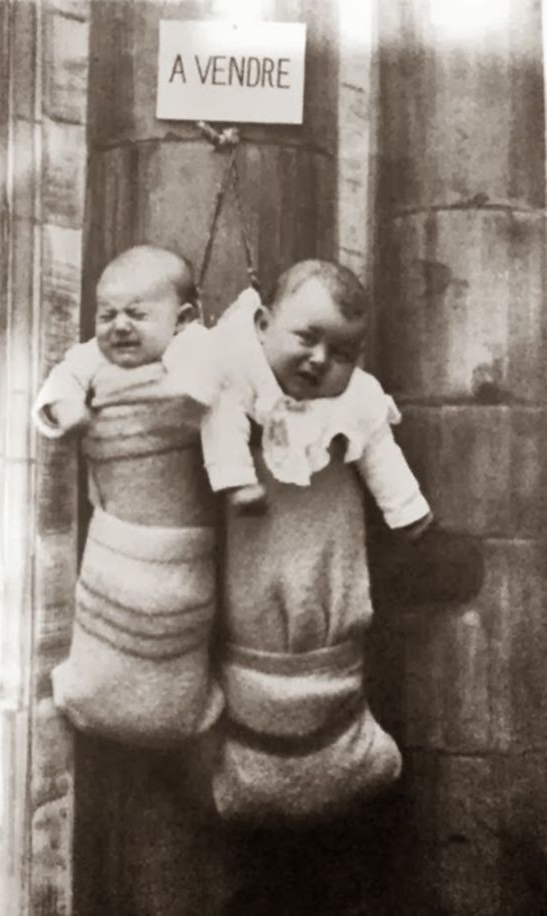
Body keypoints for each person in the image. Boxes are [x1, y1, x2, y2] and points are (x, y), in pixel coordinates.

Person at [199, 259, 432, 822]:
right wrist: (235, 480)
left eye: (343, 352)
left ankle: (340, 737)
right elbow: (219, 423)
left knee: (331, 594)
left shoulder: (357, 398)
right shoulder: (238, 373)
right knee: (253, 604)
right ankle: (255, 757)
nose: (321, 360)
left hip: (329, 535)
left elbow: (382, 454)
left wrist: (408, 512)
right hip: (257, 533)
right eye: (306, 337)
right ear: (262, 325)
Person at [32, 244, 223, 746]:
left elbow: (220, 387)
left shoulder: (193, 352)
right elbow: (56, 385)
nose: (119, 326)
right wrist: (66, 408)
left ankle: (184, 707)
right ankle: (87, 694)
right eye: (107, 314)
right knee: (104, 628)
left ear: (183, 320)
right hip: (116, 542)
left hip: (182, 544)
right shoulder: (91, 359)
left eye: (137, 314)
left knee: (177, 631)